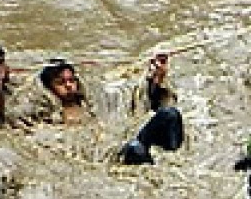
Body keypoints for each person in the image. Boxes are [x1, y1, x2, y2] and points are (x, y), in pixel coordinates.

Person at [34, 53, 185, 165]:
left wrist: (155, 77)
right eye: (61, 82)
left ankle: (178, 163)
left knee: (170, 115)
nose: (68, 86)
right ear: (49, 89)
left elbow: (129, 96)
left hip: (124, 141)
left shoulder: (94, 102)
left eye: (71, 80)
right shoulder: (50, 119)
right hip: (113, 157)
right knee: (136, 149)